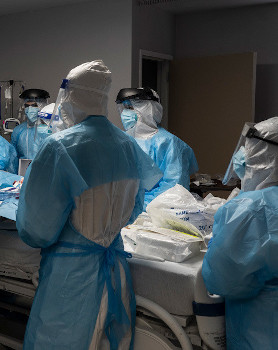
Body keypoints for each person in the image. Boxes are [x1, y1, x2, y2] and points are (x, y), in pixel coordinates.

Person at [16, 60, 162, 349]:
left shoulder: (60, 147)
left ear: (70, 96)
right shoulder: (126, 144)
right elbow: (135, 207)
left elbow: (37, 230)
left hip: (71, 280)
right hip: (114, 268)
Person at [203, 117, 278, 349]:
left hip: (259, 328)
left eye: (249, 149)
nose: (242, 155)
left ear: (265, 158)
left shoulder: (250, 209)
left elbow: (221, 280)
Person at [116, 87, 198, 205]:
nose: (125, 113)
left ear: (148, 110)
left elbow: (174, 189)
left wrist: (138, 204)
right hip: (121, 213)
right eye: (124, 108)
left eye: (130, 107)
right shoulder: (121, 140)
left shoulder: (169, 143)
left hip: (153, 211)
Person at [10, 89, 51, 164]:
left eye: (34, 105)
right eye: (27, 106)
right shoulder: (18, 130)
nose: (30, 109)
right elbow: (13, 157)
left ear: (42, 106)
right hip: (23, 172)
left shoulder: (50, 129)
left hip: (46, 171)